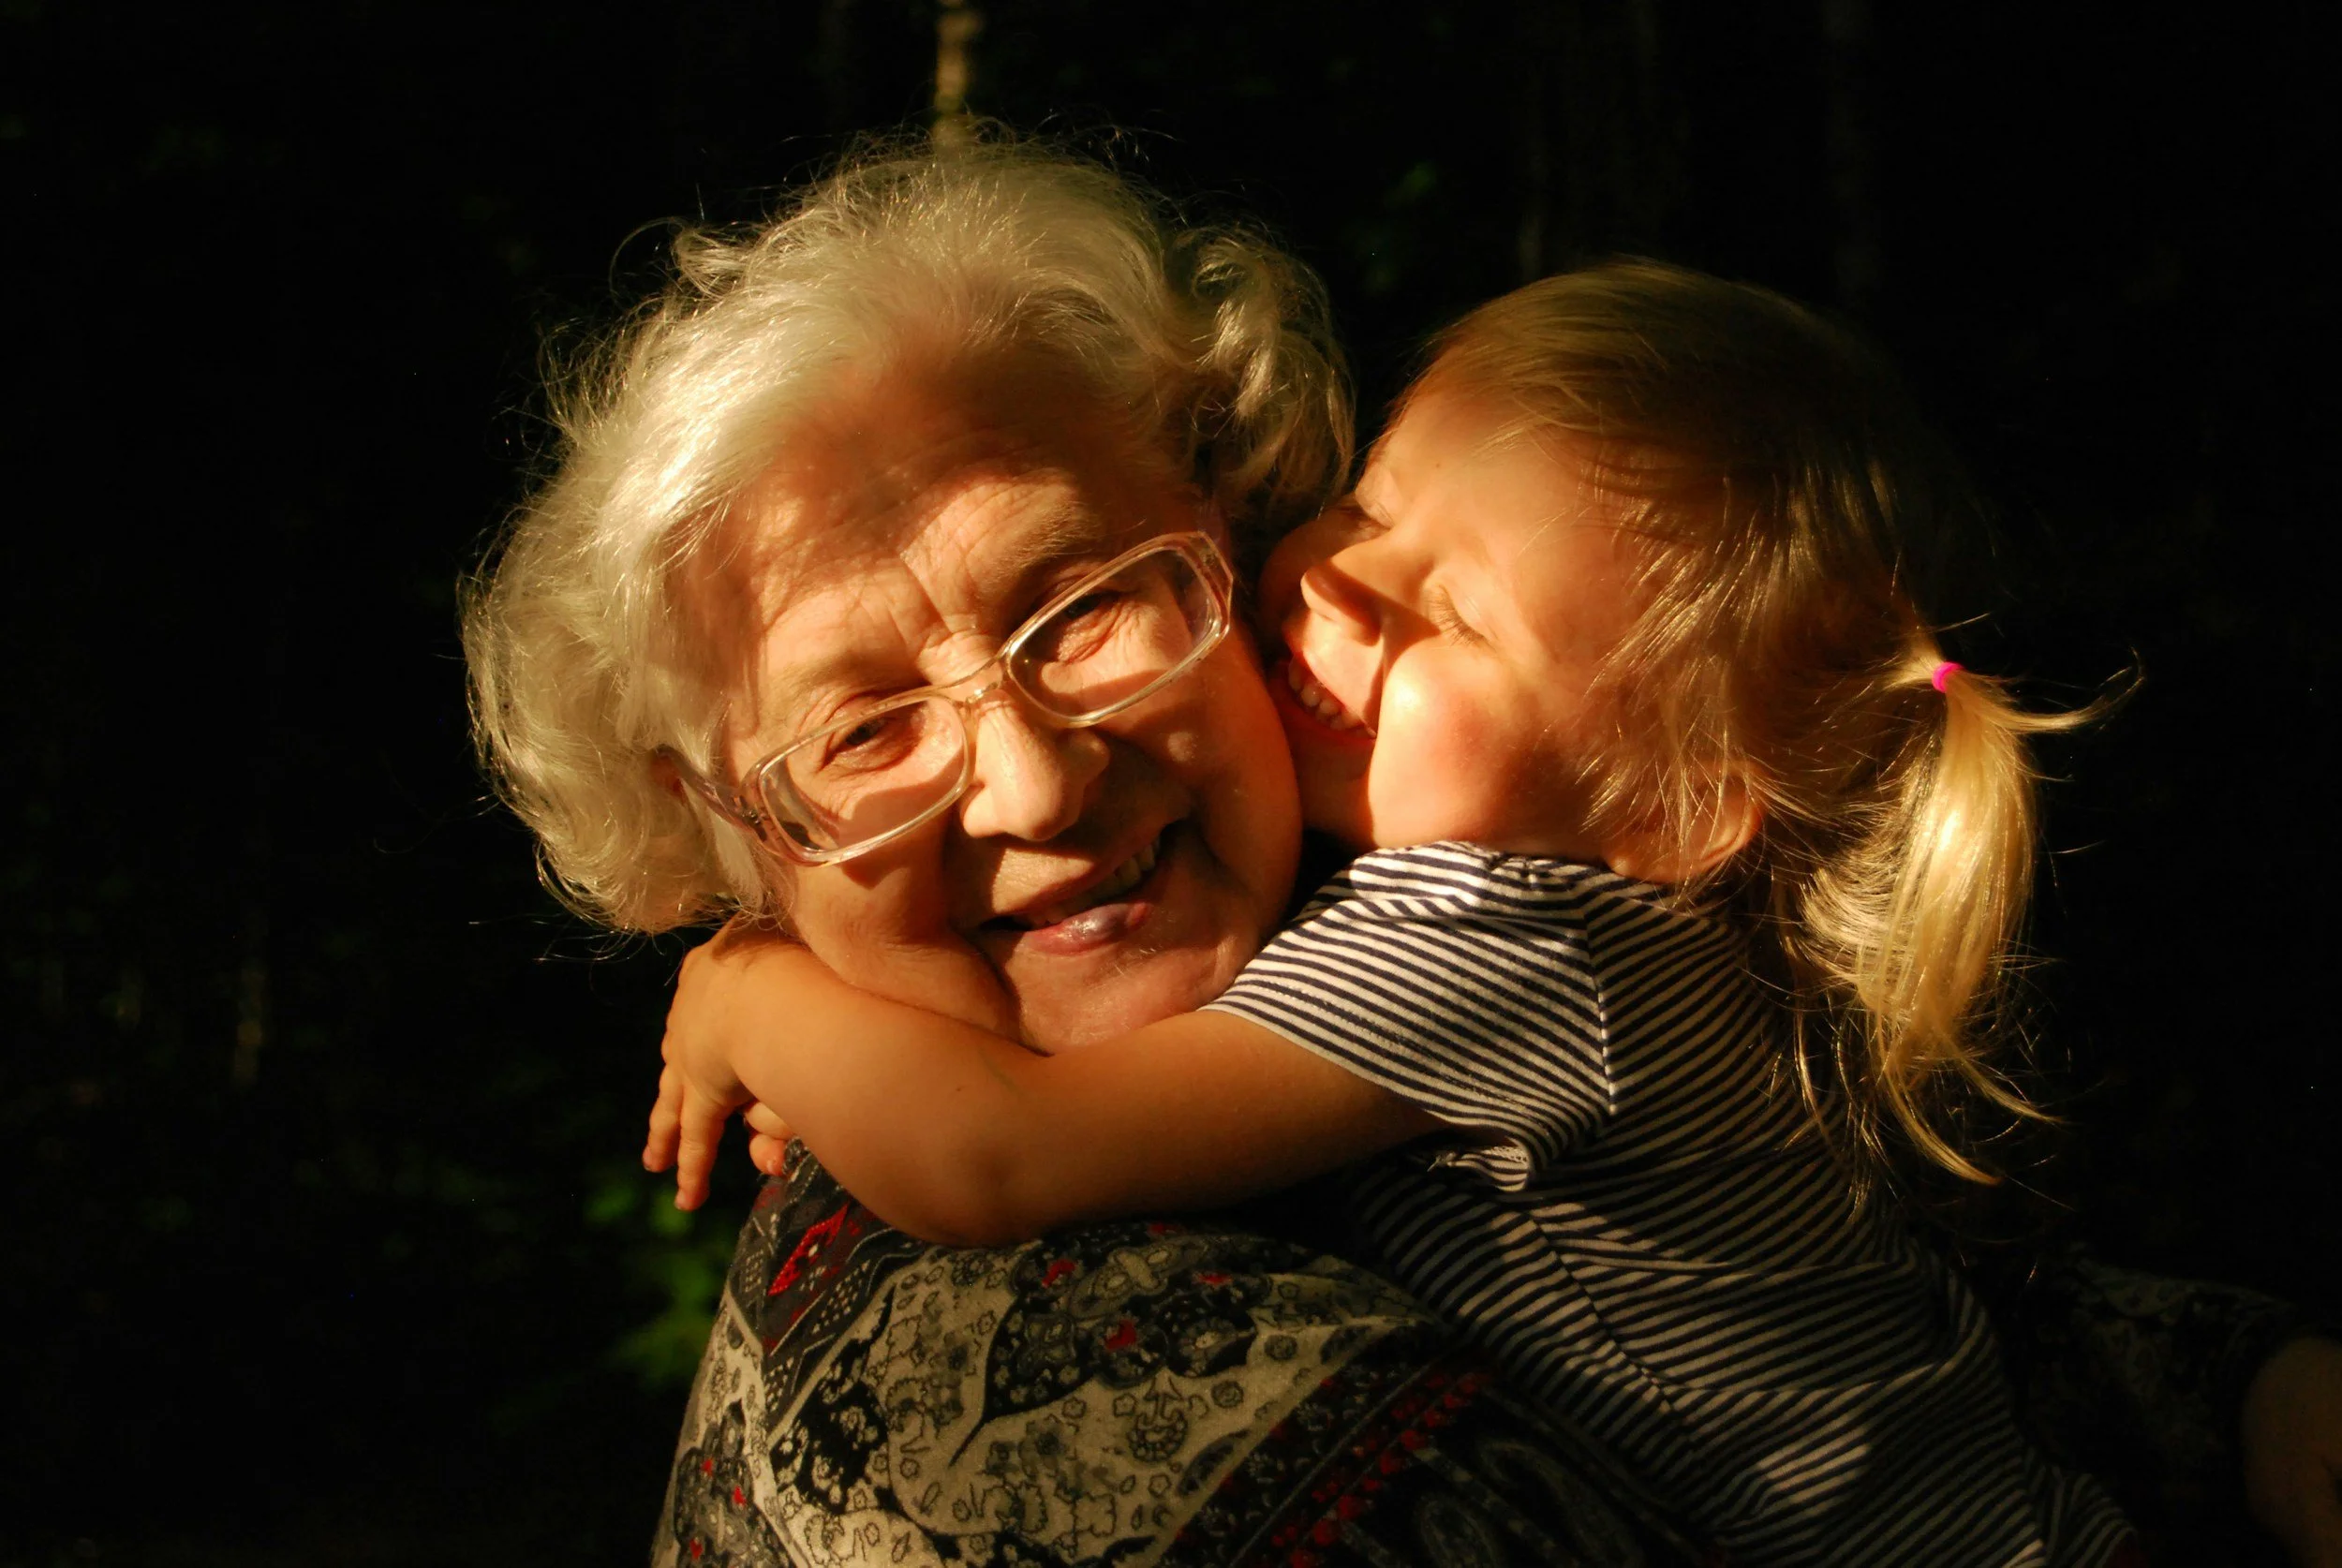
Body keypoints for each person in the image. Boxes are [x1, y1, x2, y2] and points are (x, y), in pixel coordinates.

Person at [466, 134, 2342, 1567]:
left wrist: (750, 995)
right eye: (862, 730)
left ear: (1213, 526)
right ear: (723, 837)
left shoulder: (1476, 931)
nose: (1035, 786)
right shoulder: (1018, 1412)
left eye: (1086, 607)